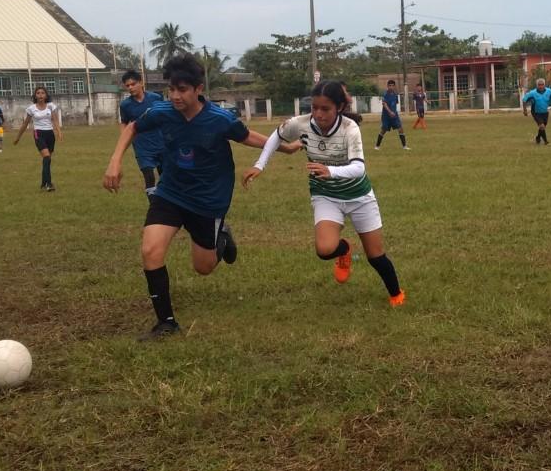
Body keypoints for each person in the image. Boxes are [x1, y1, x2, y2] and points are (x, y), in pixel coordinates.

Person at [103, 52, 270, 341]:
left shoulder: (219, 119)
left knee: (203, 268)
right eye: (171, 89)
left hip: (207, 200)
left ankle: (222, 237)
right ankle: (166, 323)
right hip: (171, 192)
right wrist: (115, 161)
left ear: (198, 89)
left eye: (182, 90)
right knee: (150, 250)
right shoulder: (162, 112)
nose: (175, 96)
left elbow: (247, 137)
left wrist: (284, 146)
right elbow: (133, 127)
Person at [243, 80, 406, 307]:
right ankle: (345, 249)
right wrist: (260, 165)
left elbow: (359, 168)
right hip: (326, 196)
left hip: (359, 197)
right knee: (325, 249)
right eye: (315, 108)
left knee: (376, 256)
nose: (318, 114)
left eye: (325, 109)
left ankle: (396, 293)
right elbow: (276, 136)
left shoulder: (350, 128)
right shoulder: (300, 124)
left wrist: (331, 170)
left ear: (339, 107)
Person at [118, 70, 164, 196]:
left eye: (133, 84)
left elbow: (164, 117)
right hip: (142, 147)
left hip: (161, 144)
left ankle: (168, 205)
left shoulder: (156, 98)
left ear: (141, 83)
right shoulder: (125, 105)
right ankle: (154, 207)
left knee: (166, 178)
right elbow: (124, 124)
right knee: (149, 177)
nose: (130, 88)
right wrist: (123, 143)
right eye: (127, 86)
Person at [12, 86, 62, 191]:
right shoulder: (31, 109)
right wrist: (18, 137)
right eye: (38, 93)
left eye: (42, 93)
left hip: (50, 134)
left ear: (46, 95)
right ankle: (49, 184)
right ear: (35, 95)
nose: (40, 95)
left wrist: (59, 132)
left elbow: (55, 120)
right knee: (47, 157)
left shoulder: (51, 106)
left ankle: (43, 183)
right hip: (38, 133)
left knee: (47, 160)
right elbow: (25, 124)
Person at [522, 78, 551, 145]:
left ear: (544, 85)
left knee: (542, 127)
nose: (541, 86)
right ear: (537, 85)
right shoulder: (532, 93)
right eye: (539, 85)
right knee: (542, 126)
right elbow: (524, 100)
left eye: (542, 85)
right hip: (536, 112)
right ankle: (546, 142)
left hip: (545, 112)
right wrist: (525, 110)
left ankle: (538, 138)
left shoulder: (549, 91)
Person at [375, 79, 408, 150]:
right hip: (386, 116)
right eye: (390, 86)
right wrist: (390, 112)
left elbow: (395, 103)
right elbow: (384, 104)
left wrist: (394, 112)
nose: (391, 87)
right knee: (383, 130)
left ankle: (404, 146)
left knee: (400, 129)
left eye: (392, 86)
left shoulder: (395, 95)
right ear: (387, 86)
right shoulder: (385, 94)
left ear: (394, 86)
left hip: (394, 115)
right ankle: (377, 146)